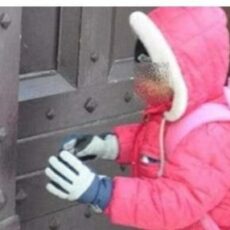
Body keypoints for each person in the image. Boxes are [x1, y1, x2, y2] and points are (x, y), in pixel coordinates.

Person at [45, 7, 230, 230]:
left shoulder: (213, 137)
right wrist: (106, 145)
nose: (141, 80)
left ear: (181, 75)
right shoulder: (173, 109)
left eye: (151, 72)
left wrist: (102, 192)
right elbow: (156, 143)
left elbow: (176, 205)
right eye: (140, 68)